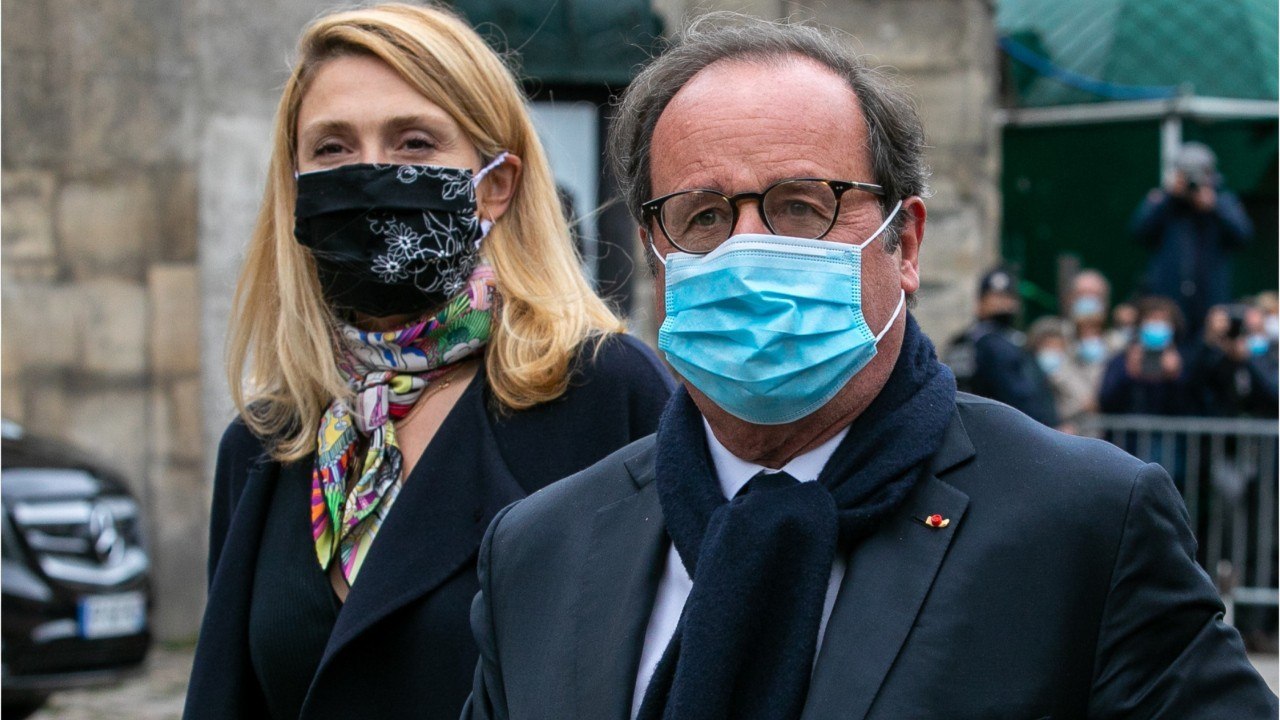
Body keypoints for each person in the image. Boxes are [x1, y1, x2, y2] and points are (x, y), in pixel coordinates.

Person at [463, 14, 1276, 720]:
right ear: (654, 252)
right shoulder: (542, 550)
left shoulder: (1084, 527)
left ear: (905, 242)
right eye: (702, 215)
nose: (749, 248)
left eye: (801, 206)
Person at [184, 5, 674, 720]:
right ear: (296, 189)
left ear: (494, 184)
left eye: (415, 143)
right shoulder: (268, 443)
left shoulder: (604, 391)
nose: (372, 172)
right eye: (332, 149)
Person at [1131, 141, 1253, 340]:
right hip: (1170, 305)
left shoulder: (1223, 202)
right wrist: (1168, 198)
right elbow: (1139, 232)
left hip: (1211, 303)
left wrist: (1215, 207)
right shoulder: (1164, 202)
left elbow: (1244, 235)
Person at [944, 266, 1059, 427]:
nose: (1003, 304)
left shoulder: (965, 340)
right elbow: (1022, 397)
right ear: (980, 302)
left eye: (1007, 297)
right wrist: (1049, 425)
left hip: (971, 428)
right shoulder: (995, 343)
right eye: (996, 297)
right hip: (1002, 428)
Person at [1098, 295, 1193, 417]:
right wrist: (1129, 375)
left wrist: (1175, 377)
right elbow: (1106, 402)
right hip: (1128, 434)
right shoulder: (1121, 360)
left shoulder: (1185, 361)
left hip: (1167, 435)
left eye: (1163, 320)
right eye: (1151, 319)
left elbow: (1191, 406)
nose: (1157, 325)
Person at [1027, 316, 1096, 432]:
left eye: (1057, 346)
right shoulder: (1028, 370)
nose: (1053, 350)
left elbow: (1087, 402)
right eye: (1048, 345)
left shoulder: (1070, 370)